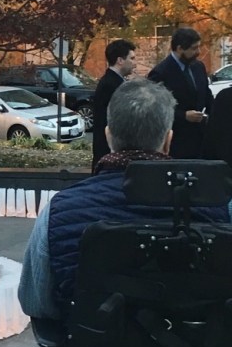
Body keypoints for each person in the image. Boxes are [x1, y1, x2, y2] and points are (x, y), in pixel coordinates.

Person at [18, 78, 231, 323]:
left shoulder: (58, 211)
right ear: (168, 140)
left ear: (108, 136)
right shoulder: (223, 208)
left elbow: (35, 303)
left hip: (92, 344)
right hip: (201, 345)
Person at [148, 27, 213, 158]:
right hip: (177, 141)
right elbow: (154, 109)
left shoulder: (198, 67)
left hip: (201, 138)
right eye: (194, 48)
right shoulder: (161, 73)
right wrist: (183, 116)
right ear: (179, 49)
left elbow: (206, 94)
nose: (198, 52)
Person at [91, 39, 136, 171]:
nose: (135, 63)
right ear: (120, 60)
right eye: (132, 58)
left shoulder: (113, 82)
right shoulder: (111, 85)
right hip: (110, 156)